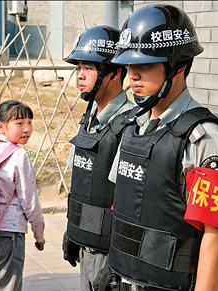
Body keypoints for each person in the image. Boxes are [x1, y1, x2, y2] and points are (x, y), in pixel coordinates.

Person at [104, 4, 218, 291]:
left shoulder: (204, 139)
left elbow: (217, 237)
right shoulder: (131, 127)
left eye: (146, 65)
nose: (132, 76)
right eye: (129, 66)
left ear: (179, 66)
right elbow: (123, 206)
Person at [61, 25, 134, 291]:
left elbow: (131, 205)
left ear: (114, 72)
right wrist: (73, 230)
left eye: (88, 68)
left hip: (111, 259)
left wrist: (115, 262)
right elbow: (84, 183)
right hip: (86, 248)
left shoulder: (129, 125)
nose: (80, 76)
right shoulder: (89, 119)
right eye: (78, 68)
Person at [0, 100, 45, 291]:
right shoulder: (18, 155)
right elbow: (29, 200)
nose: (27, 129)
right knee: (6, 285)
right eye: (19, 123)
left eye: (29, 122)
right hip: (9, 231)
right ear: (1, 127)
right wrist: (39, 234)